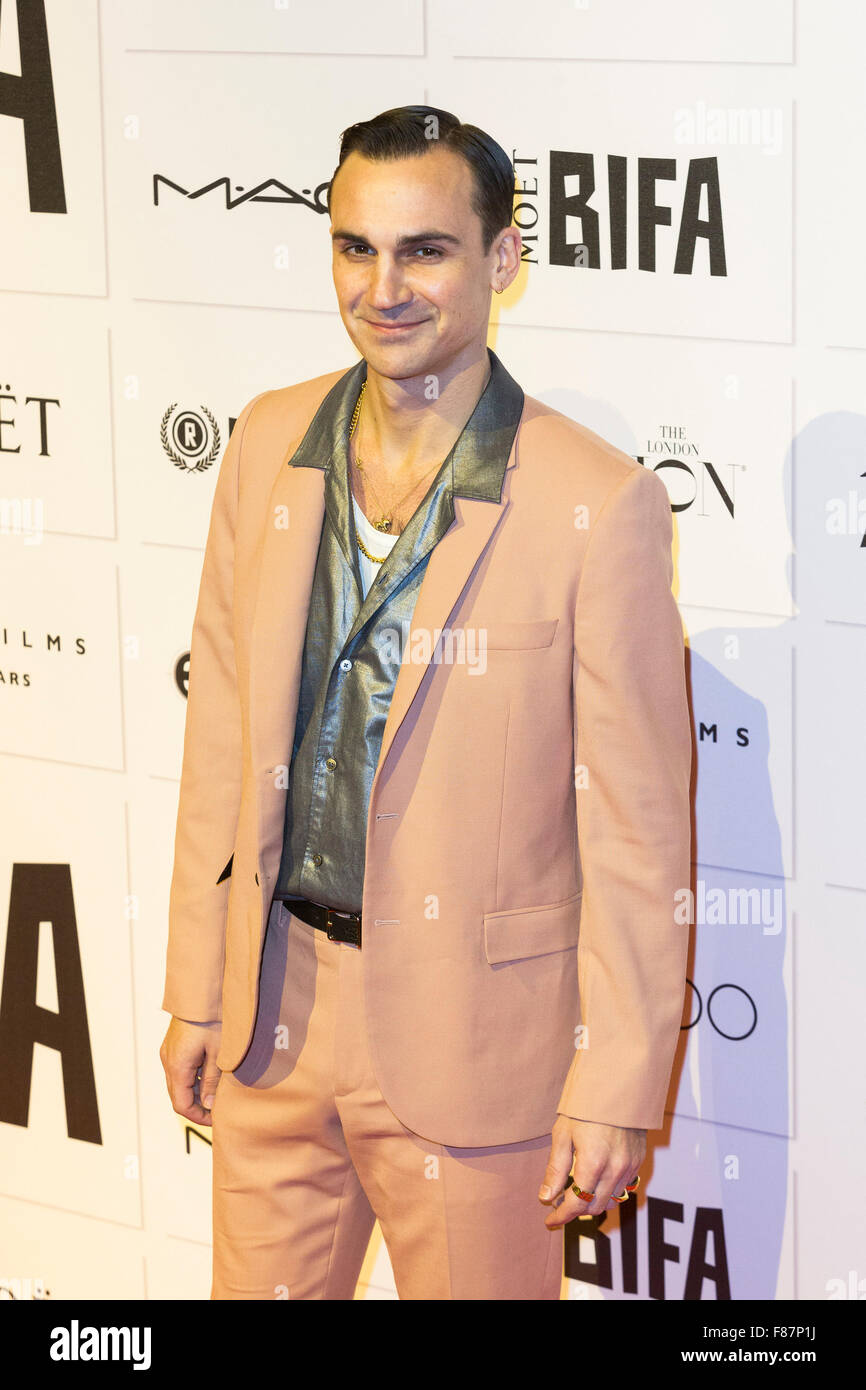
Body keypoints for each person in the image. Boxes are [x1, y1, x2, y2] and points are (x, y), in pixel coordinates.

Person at [159, 104, 693, 1301]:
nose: (382, 287)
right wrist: (199, 985)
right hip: (272, 1020)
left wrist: (612, 1082)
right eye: (355, 247)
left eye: (424, 250)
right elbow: (219, 737)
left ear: (503, 260)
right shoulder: (262, 442)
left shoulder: (594, 504)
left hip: (475, 1048)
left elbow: (635, 828)